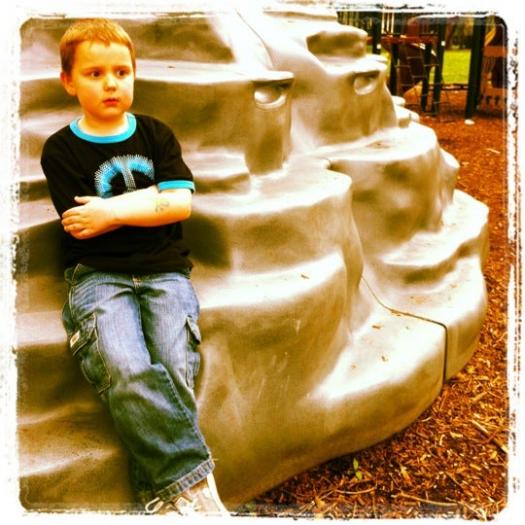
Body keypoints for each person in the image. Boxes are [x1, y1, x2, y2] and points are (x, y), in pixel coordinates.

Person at [40, 18, 228, 516]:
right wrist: (150, 201)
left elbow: (180, 205)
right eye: (95, 73)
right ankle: (195, 487)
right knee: (125, 366)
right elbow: (81, 225)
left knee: (174, 365)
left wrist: (112, 211)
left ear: (134, 75)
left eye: (121, 72)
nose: (111, 83)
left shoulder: (155, 134)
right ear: (68, 81)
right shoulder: (60, 149)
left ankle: (162, 498)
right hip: (98, 276)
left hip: (166, 271)